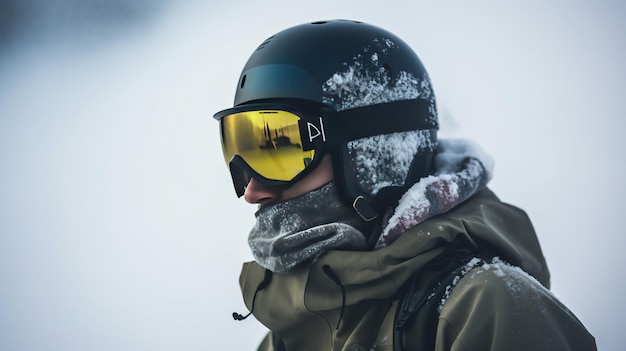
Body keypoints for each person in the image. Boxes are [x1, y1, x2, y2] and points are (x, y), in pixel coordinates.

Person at [213, 19, 597, 351]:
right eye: (242, 147)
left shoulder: (484, 310)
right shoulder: (291, 327)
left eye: (280, 150)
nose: (252, 191)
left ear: (374, 160)